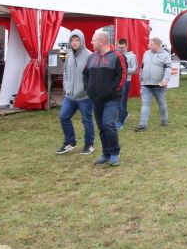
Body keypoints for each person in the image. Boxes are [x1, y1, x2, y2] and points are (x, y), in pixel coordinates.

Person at [83, 31, 126, 166]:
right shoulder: (91, 57)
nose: (91, 42)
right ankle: (106, 153)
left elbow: (122, 76)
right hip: (96, 99)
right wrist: (87, 88)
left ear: (101, 41)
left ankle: (114, 152)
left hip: (112, 98)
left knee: (108, 124)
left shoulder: (117, 56)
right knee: (101, 126)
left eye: (93, 40)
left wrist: (112, 90)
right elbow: (85, 74)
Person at [56, 30, 95, 155]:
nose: (74, 42)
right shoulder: (68, 56)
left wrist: (87, 88)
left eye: (77, 40)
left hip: (85, 96)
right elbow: (65, 72)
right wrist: (66, 86)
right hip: (70, 96)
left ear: (82, 40)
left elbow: (93, 75)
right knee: (63, 116)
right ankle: (70, 142)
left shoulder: (90, 55)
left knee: (87, 120)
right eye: (72, 40)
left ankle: (89, 144)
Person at [136, 38, 172, 131]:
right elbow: (142, 67)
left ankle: (164, 120)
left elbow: (168, 68)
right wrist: (141, 78)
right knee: (145, 104)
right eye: (149, 44)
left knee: (161, 102)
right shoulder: (146, 53)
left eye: (151, 44)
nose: (149, 46)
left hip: (159, 85)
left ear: (157, 45)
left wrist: (165, 80)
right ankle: (143, 124)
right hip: (145, 85)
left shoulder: (166, 56)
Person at [116, 38, 138, 130]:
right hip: (116, 81)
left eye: (122, 48)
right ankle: (124, 114)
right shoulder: (116, 54)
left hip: (126, 81)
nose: (120, 49)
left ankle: (120, 121)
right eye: (118, 47)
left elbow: (135, 70)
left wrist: (123, 69)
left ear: (126, 46)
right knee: (117, 100)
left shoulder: (132, 56)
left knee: (122, 101)